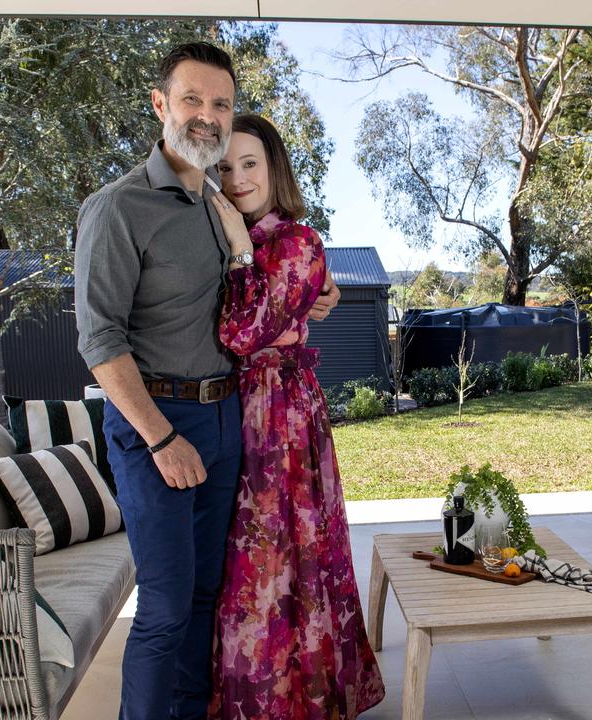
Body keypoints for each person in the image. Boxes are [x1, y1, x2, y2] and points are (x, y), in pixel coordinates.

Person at [74, 43, 339, 720]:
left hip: (227, 421)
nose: (207, 115)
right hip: (157, 423)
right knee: (164, 606)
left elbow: (271, 279)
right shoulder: (117, 208)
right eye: (192, 99)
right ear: (162, 105)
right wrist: (161, 438)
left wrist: (317, 290)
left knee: (206, 595)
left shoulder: (219, 208)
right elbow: (99, 340)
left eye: (220, 103)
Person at [207, 114, 385, 719]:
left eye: (249, 163)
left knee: (290, 555)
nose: (237, 178)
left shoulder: (297, 241)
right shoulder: (229, 236)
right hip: (237, 411)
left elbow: (241, 330)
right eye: (225, 167)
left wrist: (236, 249)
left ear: (275, 167)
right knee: (249, 567)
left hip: (282, 415)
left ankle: (299, 702)